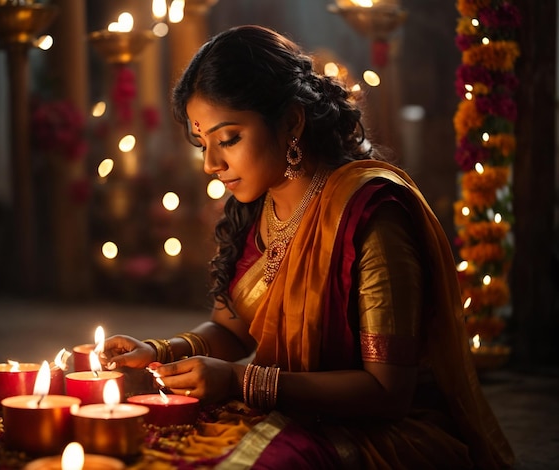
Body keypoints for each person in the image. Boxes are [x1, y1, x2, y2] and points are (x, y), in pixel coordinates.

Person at [101, 25, 515, 469]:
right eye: (203, 144)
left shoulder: (370, 213)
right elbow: (231, 330)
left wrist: (241, 381)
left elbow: (387, 393)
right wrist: (160, 351)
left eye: (228, 139)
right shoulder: (253, 207)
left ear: (292, 121)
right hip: (280, 406)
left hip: (373, 432)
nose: (211, 164)